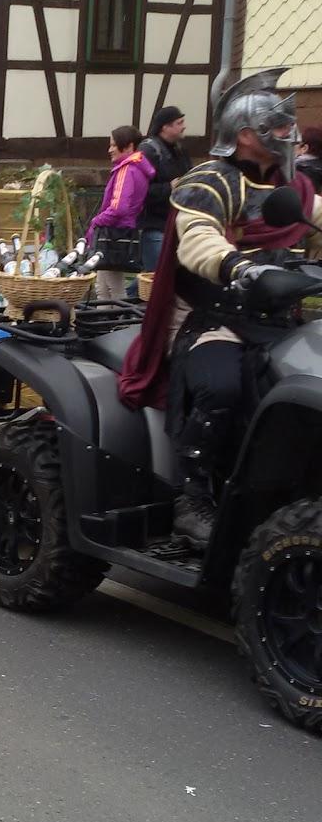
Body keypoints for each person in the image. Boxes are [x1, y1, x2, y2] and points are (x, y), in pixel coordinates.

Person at [119, 70, 322, 548]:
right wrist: (233, 264)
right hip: (217, 321)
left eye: (288, 126)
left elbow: (316, 213)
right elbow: (196, 239)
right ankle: (192, 500)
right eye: (277, 127)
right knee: (222, 389)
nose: (288, 135)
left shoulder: (288, 186)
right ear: (247, 134)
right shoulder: (208, 182)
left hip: (280, 323)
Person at [85, 125, 154, 301]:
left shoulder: (126, 169)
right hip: (122, 232)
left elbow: (118, 208)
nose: (110, 150)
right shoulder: (138, 168)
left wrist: (96, 220)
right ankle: (105, 325)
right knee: (103, 287)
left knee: (113, 289)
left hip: (113, 234)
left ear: (129, 146)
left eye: (114, 145)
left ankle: (115, 325)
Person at [136, 105, 192, 274]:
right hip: (156, 227)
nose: (184, 126)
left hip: (177, 226)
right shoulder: (148, 151)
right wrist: (169, 187)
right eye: (179, 122)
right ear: (165, 127)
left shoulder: (180, 150)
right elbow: (139, 191)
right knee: (156, 278)